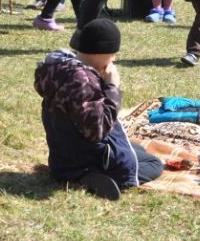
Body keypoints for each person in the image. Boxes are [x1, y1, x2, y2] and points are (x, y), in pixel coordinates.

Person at [33, 18, 164, 200]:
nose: (114, 59)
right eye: (112, 54)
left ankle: (77, 172)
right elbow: (97, 129)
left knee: (138, 150)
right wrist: (112, 87)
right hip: (86, 158)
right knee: (154, 163)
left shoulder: (59, 68)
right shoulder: (83, 81)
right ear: (100, 53)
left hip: (62, 155)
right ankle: (89, 177)